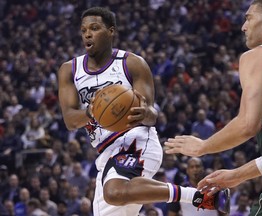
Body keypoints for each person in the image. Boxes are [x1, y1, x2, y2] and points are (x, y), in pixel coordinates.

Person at [58, 6, 230, 216]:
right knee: (115, 197)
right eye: (83, 29)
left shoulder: (132, 63)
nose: (87, 33)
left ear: (111, 31)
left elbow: (151, 113)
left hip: (135, 139)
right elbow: (69, 120)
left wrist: (147, 113)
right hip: (106, 152)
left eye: (94, 28)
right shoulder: (70, 70)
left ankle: (200, 196)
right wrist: (91, 112)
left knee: (113, 192)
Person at [165, 0, 262, 215]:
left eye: (249, 18)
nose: (243, 26)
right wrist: (237, 175)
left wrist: (203, 146)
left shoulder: (259, 55)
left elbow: (248, 125)